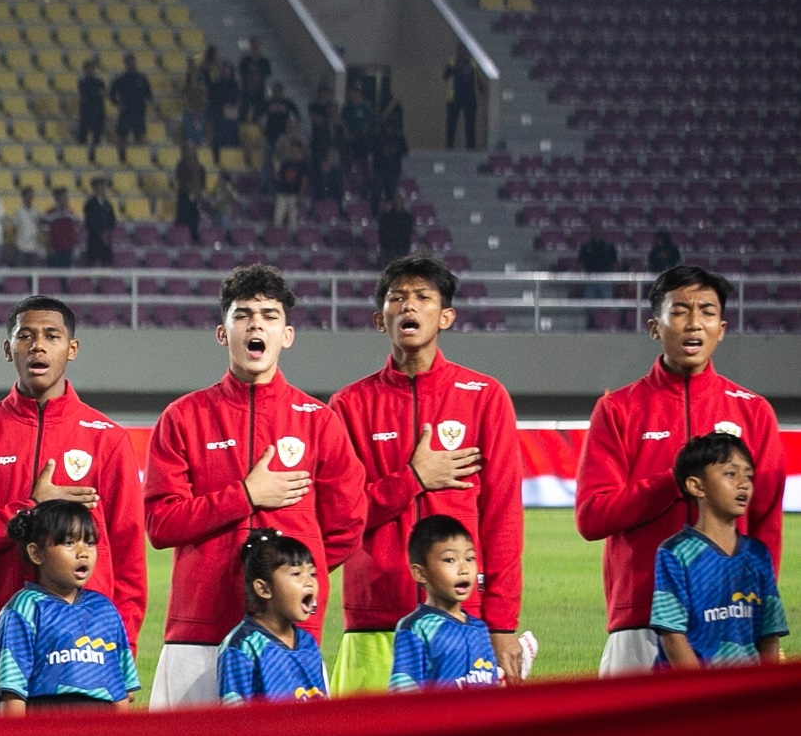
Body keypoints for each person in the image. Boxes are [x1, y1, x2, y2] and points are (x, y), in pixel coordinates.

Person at [143, 264, 365, 708]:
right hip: (199, 632)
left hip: (290, 636)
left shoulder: (319, 422)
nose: (256, 325)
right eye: (242, 315)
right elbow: (161, 524)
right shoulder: (183, 417)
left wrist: (291, 577)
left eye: (269, 316)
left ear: (287, 334)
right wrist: (245, 496)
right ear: (222, 333)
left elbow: (347, 526)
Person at [0, 296, 144, 715]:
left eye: (52, 336)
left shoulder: (107, 438)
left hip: (86, 651)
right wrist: (27, 507)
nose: (38, 346)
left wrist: (125, 649)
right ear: (8, 348)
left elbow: (127, 555)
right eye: (25, 336)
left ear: (72, 347)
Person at [328, 257, 526, 693]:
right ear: (380, 319)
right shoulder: (348, 406)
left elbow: (503, 518)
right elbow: (340, 516)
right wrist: (413, 479)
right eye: (396, 298)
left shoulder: (485, 397)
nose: (408, 306)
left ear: (446, 317)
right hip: (375, 621)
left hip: (465, 620)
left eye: (422, 297)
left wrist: (501, 623)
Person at [574, 266, 784, 675]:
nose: (694, 323)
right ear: (655, 327)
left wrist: (761, 617)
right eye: (680, 310)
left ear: (721, 329)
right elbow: (592, 517)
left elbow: (766, 527)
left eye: (707, 311)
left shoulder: (754, 411)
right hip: (642, 617)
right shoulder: (618, 410)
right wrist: (674, 482)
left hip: (730, 619)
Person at [650, 433, 786, 669]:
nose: (743, 484)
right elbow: (672, 635)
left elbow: (769, 634)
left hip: (745, 688)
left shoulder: (758, 554)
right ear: (696, 486)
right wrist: (702, 688)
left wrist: (764, 685)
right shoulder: (675, 553)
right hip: (696, 688)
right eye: (731, 474)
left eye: (748, 476)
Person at [0, 500, 139, 714]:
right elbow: (13, 690)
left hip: (101, 725)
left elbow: (120, 691)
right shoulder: (23, 608)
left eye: (89, 543)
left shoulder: (105, 609)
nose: (83, 552)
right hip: (47, 724)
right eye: (69, 543)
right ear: (36, 554)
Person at [214, 529, 330, 704]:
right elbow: (234, 714)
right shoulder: (243, 647)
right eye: (296, 574)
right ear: (264, 589)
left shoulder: (308, 643)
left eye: (312, 574)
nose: (309, 582)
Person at [388, 516, 500, 691]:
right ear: (420, 573)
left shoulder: (480, 629)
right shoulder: (415, 628)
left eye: (470, 558)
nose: (464, 569)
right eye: (450, 560)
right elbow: (404, 688)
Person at [109, 53, 152, 152]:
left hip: (139, 111)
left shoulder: (142, 79)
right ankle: (121, 157)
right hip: (125, 111)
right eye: (128, 63)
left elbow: (149, 94)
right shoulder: (121, 79)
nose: (131, 65)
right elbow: (111, 93)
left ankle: (138, 156)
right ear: (125, 64)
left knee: (139, 136)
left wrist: (148, 104)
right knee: (122, 136)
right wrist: (117, 104)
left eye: (132, 62)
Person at [443, 49, 477, 150]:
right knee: (451, 123)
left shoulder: (472, 64)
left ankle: (471, 147)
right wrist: (453, 67)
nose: (463, 54)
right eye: (461, 52)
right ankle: (449, 146)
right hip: (455, 96)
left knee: (470, 124)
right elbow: (445, 76)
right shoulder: (452, 62)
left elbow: (478, 80)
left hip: (469, 96)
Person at [82, 178, 117, 267]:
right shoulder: (90, 204)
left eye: (102, 188)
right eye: (99, 188)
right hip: (95, 238)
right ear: (94, 189)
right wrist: (100, 232)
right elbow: (89, 222)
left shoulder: (108, 204)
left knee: (107, 261)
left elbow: (112, 219)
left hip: (106, 238)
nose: (101, 190)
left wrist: (107, 231)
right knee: (92, 262)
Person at [76, 59, 107, 150]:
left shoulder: (100, 82)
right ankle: (81, 154)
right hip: (86, 112)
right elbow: (86, 94)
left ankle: (95, 154)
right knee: (82, 136)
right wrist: (97, 93)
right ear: (84, 70)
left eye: (91, 69)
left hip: (98, 111)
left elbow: (103, 93)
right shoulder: (82, 82)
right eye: (87, 69)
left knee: (97, 137)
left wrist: (97, 93)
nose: (89, 71)